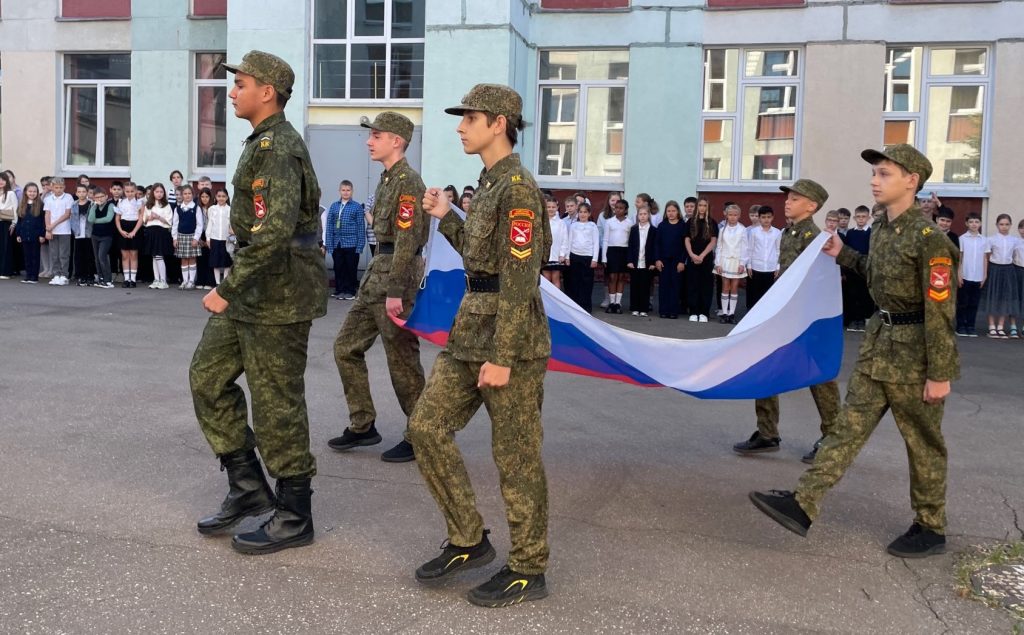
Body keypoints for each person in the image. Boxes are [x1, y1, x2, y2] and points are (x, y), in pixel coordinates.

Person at [750, 144, 960, 559]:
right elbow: (872, 271)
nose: (874, 181)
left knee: (923, 442)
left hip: (915, 355)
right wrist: (843, 254)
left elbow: (941, 309)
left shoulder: (930, 240)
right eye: (874, 174)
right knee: (846, 429)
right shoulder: (882, 229)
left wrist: (940, 373)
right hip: (879, 345)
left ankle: (930, 525)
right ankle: (803, 504)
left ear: (911, 181)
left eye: (884, 174)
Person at [412, 83, 552, 608]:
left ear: (498, 123)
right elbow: (481, 258)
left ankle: (529, 567)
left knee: (516, 457)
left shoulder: (517, 188)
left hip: (507, 340)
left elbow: (519, 280)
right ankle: (469, 538)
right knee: (426, 428)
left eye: (468, 117)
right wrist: (446, 214)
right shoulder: (490, 183)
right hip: (471, 330)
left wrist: (504, 357)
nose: (459, 126)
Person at [189, 50, 327, 555]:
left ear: (267, 91)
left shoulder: (279, 148)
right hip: (256, 286)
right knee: (207, 377)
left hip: (281, 293)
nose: (232, 91)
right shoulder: (260, 143)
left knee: (276, 404)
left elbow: (273, 235)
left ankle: (295, 513)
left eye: (241, 83)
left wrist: (225, 289)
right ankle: (248, 488)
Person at [329, 112, 429, 463]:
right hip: (376, 273)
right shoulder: (387, 180)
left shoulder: (409, 183)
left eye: (376, 135)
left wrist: (397, 291)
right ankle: (363, 424)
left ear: (396, 141)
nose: (369, 141)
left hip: (394, 279)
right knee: (345, 347)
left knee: (401, 359)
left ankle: (421, 435)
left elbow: (407, 241)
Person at [733, 179, 840, 463]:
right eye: (788, 197)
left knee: (821, 377)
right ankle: (767, 432)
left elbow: (819, 282)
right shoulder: (789, 233)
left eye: (795, 198)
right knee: (765, 367)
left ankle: (832, 438)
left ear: (812, 206)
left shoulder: (817, 239)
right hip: (784, 316)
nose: (787, 202)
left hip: (807, 319)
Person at [323, 179, 366, 300]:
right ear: (339, 191)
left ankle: (350, 291)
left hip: (351, 243)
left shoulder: (357, 207)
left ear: (352, 191)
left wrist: (360, 245)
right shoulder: (334, 206)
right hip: (337, 243)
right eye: (343, 190)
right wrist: (329, 244)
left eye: (348, 190)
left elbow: (360, 227)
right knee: (338, 267)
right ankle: (339, 290)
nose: (346, 192)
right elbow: (330, 225)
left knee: (350, 268)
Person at [984, 213, 1018, 338]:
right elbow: (987, 256)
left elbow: (1014, 255)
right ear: (997, 225)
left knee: (1005, 297)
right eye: (1001, 224)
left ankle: (1001, 326)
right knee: (993, 296)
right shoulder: (991, 239)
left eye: (1007, 224)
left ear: (1010, 225)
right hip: (994, 268)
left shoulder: (1014, 240)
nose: (1004, 227)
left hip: (1008, 269)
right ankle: (991, 326)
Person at [714, 203, 748, 324]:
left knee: (734, 287)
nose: (733, 217)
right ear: (726, 215)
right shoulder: (722, 230)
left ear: (739, 216)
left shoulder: (742, 229)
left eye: (735, 215)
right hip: (724, 261)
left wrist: (742, 263)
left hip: (737, 261)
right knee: (725, 286)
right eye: (730, 215)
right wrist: (718, 263)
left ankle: (731, 313)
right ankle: (724, 312)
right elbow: (719, 247)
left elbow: (745, 247)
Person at [685, 197, 717, 322]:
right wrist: (692, 255)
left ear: (708, 207)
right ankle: (693, 311)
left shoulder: (712, 222)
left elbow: (713, 240)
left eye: (704, 206)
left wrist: (702, 255)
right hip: (692, 258)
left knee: (706, 286)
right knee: (693, 285)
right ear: (697, 207)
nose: (702, 208)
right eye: (700, 205)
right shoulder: (690, 222)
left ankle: (704, 312)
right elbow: (686, 239)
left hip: (706, 259)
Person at [842, 205, 873, 332]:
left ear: (868, 217)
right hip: (852, 270)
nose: (861, 219)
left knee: (865, 295)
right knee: (853, 294)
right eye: (858, 217)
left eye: (863, 217)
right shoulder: (850, 233)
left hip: (865, 269)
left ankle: (863, 320)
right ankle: (854, 320)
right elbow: (847, 251)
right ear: (854, 218)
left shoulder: (871, 232)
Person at [956, 212, 986, 337]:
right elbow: (960, 257)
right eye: (971, 222)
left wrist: (984, 275)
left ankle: (971, 326)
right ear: (966, 223)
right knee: (963, 302)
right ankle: (960, 326)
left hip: (978, 276)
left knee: (974, 303)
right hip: (965, 276)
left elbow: (985, 258)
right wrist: (959, 274)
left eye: (977, 222)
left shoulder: (984, 240)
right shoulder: (962, 239)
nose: (974, 224)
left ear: (980, 223)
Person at [655, 202, 686, 319]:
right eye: (668, 211)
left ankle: (673, 310)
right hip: (664, 261)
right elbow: (657, 244)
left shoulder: (683, 226)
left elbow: (685, 246)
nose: (671, 213)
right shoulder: (662, 226)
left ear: (678, 211)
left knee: (675, 285)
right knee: (664, 285)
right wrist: (657, 259)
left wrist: (682, 261)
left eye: (673, 211)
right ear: (665, 213)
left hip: (677, 262)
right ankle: (663, 310)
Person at [745, 205, 781, 309]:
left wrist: (777, 266)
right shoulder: (753, 232)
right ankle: (750, 315)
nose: (766, 220)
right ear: (759, 218)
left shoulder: (777, 232)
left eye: (768, 217)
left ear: (773, 217)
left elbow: (778, 250)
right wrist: (749, 265)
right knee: (753, 294)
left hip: (770, 268)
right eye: (763, 217)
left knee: (767, 295)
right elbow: (750, 249)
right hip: (756, 267)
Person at [566, 203, 599, 312]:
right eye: (580, 212)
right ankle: (575, 306)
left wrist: (595, 259)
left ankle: (586, 306)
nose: (583, 214)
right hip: (575, 256)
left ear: (589, 213)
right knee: (575, 281)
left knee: (587, 282)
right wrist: (567, 256)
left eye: (585, 212)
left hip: (588, 257)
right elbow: (569, 241)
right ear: (578, 213)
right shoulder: (573, 226)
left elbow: (596, 243)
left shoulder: (593, 226)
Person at [602, 199, 633, 314]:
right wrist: (604, 257)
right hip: (612, 251)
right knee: (612, 277)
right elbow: (605, 239)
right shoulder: (609, 222)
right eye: (616, 208)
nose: (618, 210)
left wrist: (630, 257)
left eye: (621, 208)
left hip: (624, 251)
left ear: (625, 210)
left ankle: (618, 303)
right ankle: (611, 302)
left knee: (621, 277)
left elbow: (631, 241)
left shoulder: (629, 223)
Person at [172, 185, 204, 290]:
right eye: (185, 194)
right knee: (184, 259)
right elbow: (175, 224)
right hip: (181, 237)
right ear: (181, 195)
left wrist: (196, 238)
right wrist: (175, 238)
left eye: (189, 193)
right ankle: (185, 280)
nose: (187, 196)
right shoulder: (178, 209)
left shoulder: (196, 208)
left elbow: (200, 224)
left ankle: (191, 281)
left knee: (192, 259)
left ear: (193, 195)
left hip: (192, 237)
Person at [627, 206, 658, 317]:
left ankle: (644, 308)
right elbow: (630, 246)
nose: (643, 216)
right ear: (637, 216)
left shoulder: (654, 230)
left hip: (647, 263)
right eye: (641, 214)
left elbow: (655, 247)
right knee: (635, 286)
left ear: (648, 215)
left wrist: (653, 262)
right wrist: (630, 260)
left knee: (645, 286)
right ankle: (635, 308)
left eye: (645, 214)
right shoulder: (634, 229)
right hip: (635, 262)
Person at [43, 177, 74, 286]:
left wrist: (53, 225)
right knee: (54, 254)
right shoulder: (48, 199)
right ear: (52, 187)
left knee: (64, 254)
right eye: (56, 187)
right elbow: (47, 214)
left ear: (64, 187)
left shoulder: (68, 197)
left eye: (61, 187)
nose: (59, 190)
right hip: (52, 230)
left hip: (64, 230)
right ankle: (56, 274)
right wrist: (48, 228)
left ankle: (64, 275)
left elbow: (67, 214)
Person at [143, 184, 174, 289]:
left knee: (159, 256)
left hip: (161, 231)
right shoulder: (148, 205)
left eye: (161, 192)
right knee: (154, 257)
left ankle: (163, 280)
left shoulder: (166, 205)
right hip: (151, 231)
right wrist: (149, 217)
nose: (159, 194)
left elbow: (169, 221)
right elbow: (144, 220)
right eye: (157, 192)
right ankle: (156, 279)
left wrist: (158, 217)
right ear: (153, 193)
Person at [16, 183, 45, 283]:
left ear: (37, 193)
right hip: (24, 234)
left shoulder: (40, 205)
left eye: (34, 191)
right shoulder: (22, 205)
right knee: (27, 256)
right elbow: (19, 220)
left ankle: (34, 277)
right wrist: (18, 233)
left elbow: (42, 221)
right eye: (30, 191)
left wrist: (42, 234)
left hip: (35, 235)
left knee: (35, 256)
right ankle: (28, 275)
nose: (32, 193)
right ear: (25, 192)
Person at [88, 187, 117, 288]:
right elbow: (90, 219)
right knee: (97, 258)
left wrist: (96, 220)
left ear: (106, 196)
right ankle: (100, 278)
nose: (99, 199)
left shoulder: (110, 205)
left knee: (102, 256)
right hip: (95, 235)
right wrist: (94, 207)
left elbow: (108, 218)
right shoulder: (94, 206)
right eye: (97, 197)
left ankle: (108, 279)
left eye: (101, 197)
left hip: (107, 236)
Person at [116, 182, 144, 288]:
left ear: (136, 191)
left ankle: (133, 279)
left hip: (135, 227)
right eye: (127, 191)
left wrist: (134, 231)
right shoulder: (120, 202)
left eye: (132, 191)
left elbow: (141, 217)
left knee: (133, 254)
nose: (130, 193)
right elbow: (117, 218)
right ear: (124, 191)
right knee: (124, 255)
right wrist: (121, 230)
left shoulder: (139, 202)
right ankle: (126, 279)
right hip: (123, 228)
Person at [206, 188, 234, 286]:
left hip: (227, 239)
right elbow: (210, 224)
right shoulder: (212, 209)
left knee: (227, 262)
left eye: (223, 196)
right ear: (216, 197)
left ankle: (224, 283)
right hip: (215, 238)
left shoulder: (230, 209)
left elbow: (232, 224)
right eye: (219, 196)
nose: (221, 198)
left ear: (227, 197)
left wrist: (233, 232)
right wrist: (208, 238)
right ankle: (217, 283)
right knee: (215, 262)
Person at [70, 184, 96, 286]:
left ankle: (90, 276)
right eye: (79, 192)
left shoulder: (91, 204)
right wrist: (74, 230)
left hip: (88, 233)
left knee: (89, 256)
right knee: (79, 256)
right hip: (78, 234)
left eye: (84, 192)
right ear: (76, 193)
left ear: (87, 193)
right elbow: (72, 219)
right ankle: (81, 276)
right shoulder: (74, 205)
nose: (81, 194)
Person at [541, 194, 568, 290]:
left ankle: (556, 303)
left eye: (553, 207)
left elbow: (565, 240)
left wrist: (562, 254)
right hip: (545, 256)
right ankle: (547, 304)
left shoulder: (561, 223)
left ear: (557, 208)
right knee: (546, 280)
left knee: (556, 279)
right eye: (548, 207)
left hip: (556, 256)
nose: (551, 209)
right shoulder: (541, 222)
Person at [0, 172, 17, 279]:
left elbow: (15, 209)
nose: (1, 182)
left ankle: (6, 272)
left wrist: (14, 223)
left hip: (7, 222)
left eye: (3, 180)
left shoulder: (11, 193)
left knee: (5, 247)